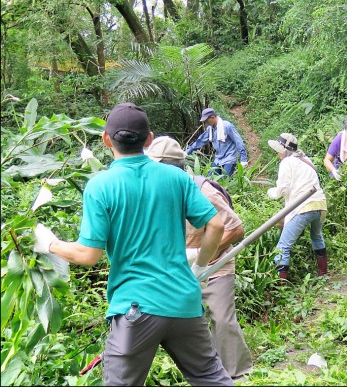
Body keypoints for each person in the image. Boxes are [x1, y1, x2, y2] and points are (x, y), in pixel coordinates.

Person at [32, 102, 233, 386]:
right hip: (184, 302)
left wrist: (49, 244)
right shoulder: (177, 177)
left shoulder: (101, 186)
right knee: (211, 378)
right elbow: (215, 225)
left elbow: (88, 255)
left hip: (135, 308)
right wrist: (201, 267)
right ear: (149, 140)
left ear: (105, 139)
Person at [146, 136, 253, 379]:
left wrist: (204, 256)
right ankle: (203, 372)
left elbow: (234, 228)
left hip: (216, 265)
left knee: (222, 318)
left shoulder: (201, 190)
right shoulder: (158, 190)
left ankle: (238, 373)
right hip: (180, 267)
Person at [267, 133, 328, 280]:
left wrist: (270, 192)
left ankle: (280, 286)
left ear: (284, 150)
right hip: (320, 205)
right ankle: (323, 275)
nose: (277, 153)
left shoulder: (287, 163)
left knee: (283, 247)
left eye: (279, 150)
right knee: (317, 237)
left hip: (304, 207)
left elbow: (282, 190)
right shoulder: (305, 159)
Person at [186, 107, 248, 176]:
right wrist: (186, 152)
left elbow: (238, 141)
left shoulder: (227, 126)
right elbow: (200, 141)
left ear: (212, 117)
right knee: (210, 177)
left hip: (229, 158)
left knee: (225, 181)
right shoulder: (210, 129)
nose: (205, 123)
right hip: (218, 159)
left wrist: (243, 159)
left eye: (206, 120)